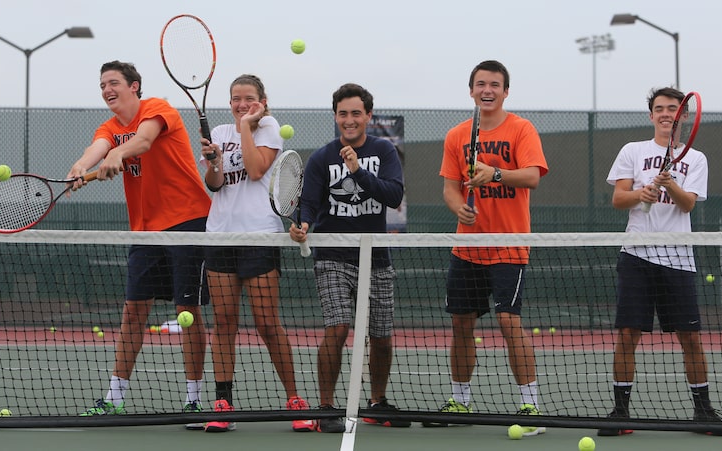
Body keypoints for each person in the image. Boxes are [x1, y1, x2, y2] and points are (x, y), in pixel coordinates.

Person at [68, 61, 211, 428]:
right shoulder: (110, 128)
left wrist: (119, 154)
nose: (106, 90)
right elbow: (96, 148)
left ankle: (194, 400)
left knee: (188, 310)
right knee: (133, 312)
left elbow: (144, 140)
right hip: (144, 229)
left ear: (134, 86)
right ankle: (114, 398)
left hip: (187, 221)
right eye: (102, 85)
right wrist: (80, 167)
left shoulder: (158, 109)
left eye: (113, 83)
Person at [424, 60, 549, 435]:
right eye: (481, 84)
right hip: (468, 247)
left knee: (509, 322)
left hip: (509, 246)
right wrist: (456, 206)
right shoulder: (456, 135)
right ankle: (459, 400)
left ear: (505, 91)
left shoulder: (522, 129)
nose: (488, 90)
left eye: (495, 84)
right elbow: (450, 186)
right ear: (472, 90)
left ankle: (531, 407)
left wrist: (494, 173)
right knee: (461, 324)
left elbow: (532, 177)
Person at [601, 87, 722, 437]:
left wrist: (668, 184)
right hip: (636, 256)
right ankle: (620, 413)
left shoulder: (697, 159)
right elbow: (618, 199)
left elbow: (688, 204)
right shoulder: (633, 151)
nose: (665, 114)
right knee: (628, 335)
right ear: (651, 115)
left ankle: (703, 413)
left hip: (678, 259)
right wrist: (640, 193)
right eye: (658, 109)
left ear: (682, 115)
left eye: (672, 109)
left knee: (690, 337)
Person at [288, 83, 407, 433]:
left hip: (376, 257)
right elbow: (308, 203)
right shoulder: (321, 157)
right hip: (332, 257)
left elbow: (393, 195)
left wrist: (357, 171)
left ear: (368, 116)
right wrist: (302, 223)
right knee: (338, 328)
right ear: (336, 116)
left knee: (382, 336)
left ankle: (376, 402)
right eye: (343, 113)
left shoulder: (384, 150)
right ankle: (326, 408)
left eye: (356, 113)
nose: (350, 120)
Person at [198, 74, 312, 433]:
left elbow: (256, 169)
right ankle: (223, 402)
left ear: (262, 101)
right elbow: (215, 185)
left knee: (266, 322)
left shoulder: (269, 128)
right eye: (236, 98)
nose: (241, 104)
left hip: (260, 237)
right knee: (225, 322)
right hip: (220, 237)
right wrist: (214, 162)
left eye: (248, 98)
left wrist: (246, 126)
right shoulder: (218, 133)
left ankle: (294, 399)